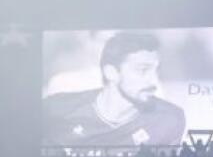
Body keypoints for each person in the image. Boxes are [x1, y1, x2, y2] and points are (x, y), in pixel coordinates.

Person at [43, 32, 187, 147]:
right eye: (143, 70)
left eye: (157, 71)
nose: (154, 81)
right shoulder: (56, 109)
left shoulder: (169, 119)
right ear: (111, 73)